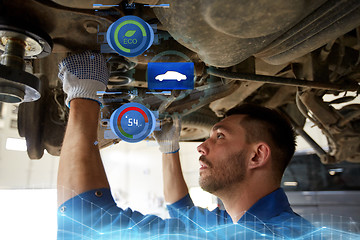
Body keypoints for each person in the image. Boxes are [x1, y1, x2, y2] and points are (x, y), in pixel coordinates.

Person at [57, 52, 316, 239]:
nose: (201, 147)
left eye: (220, 136)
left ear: (257, 156)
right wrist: (169, 150)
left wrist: (83, 96)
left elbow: (87, 226)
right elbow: (182, 213)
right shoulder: (239, 221)